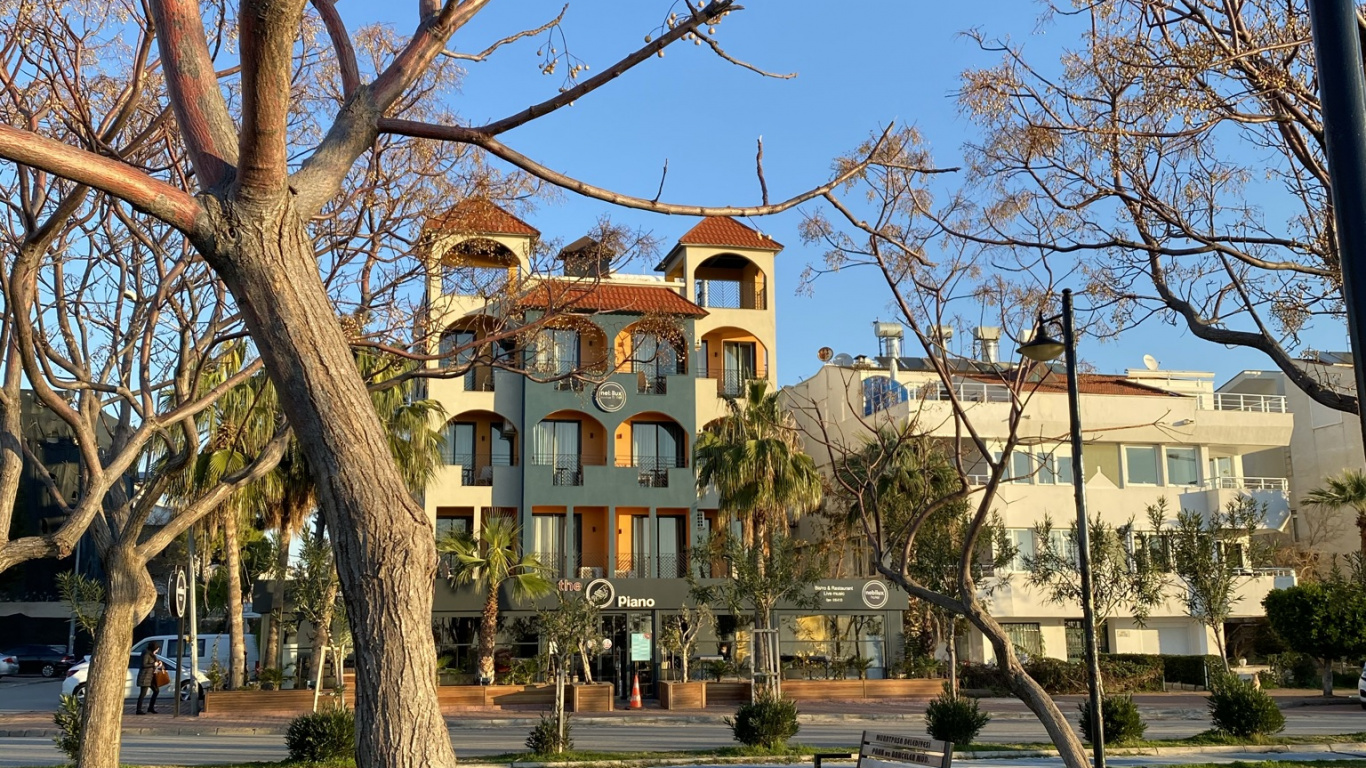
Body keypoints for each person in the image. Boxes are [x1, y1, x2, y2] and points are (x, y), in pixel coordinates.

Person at [136, 641, 164, 715]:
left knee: (156, 690)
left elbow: (154, 664)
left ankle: (151, 707)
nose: (157, 651)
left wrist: (158, 664)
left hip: (151, 676)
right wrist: (153, 664)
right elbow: (144, 664)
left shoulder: (152, 655)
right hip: (145, 676)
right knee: (143, 693)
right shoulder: (146, 654)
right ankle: (138, 710)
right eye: (156, 649)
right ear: (153, 648)